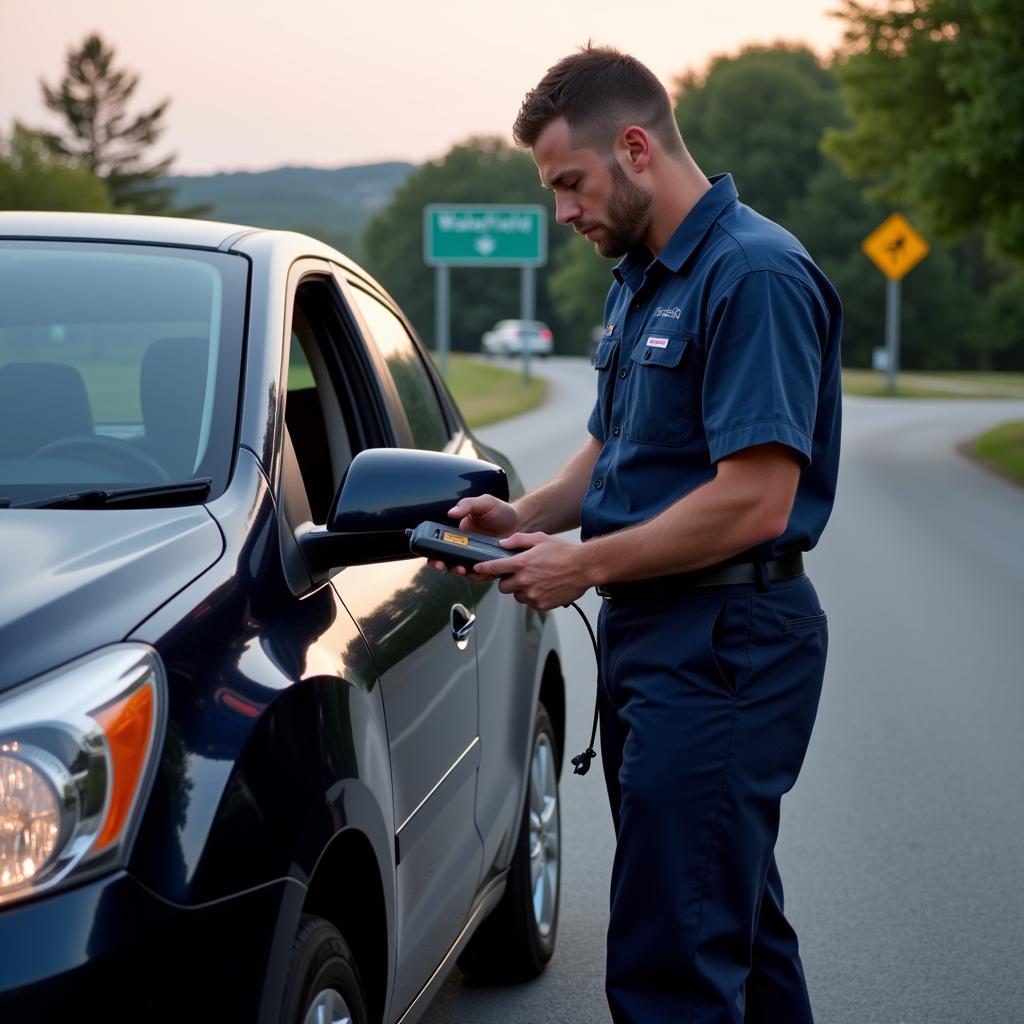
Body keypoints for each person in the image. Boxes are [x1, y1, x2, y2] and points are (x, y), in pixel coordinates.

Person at [433, 45, 842, 1024]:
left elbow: (756, 501)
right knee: (732, 925)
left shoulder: (752, 276)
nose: (563, 212)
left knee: (671, 965)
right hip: (655, 639)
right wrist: (524, 519)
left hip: (726, 643)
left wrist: (585, 565)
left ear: (633, 148)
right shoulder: (644, 278)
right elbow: (613, 455)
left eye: (569, 184)